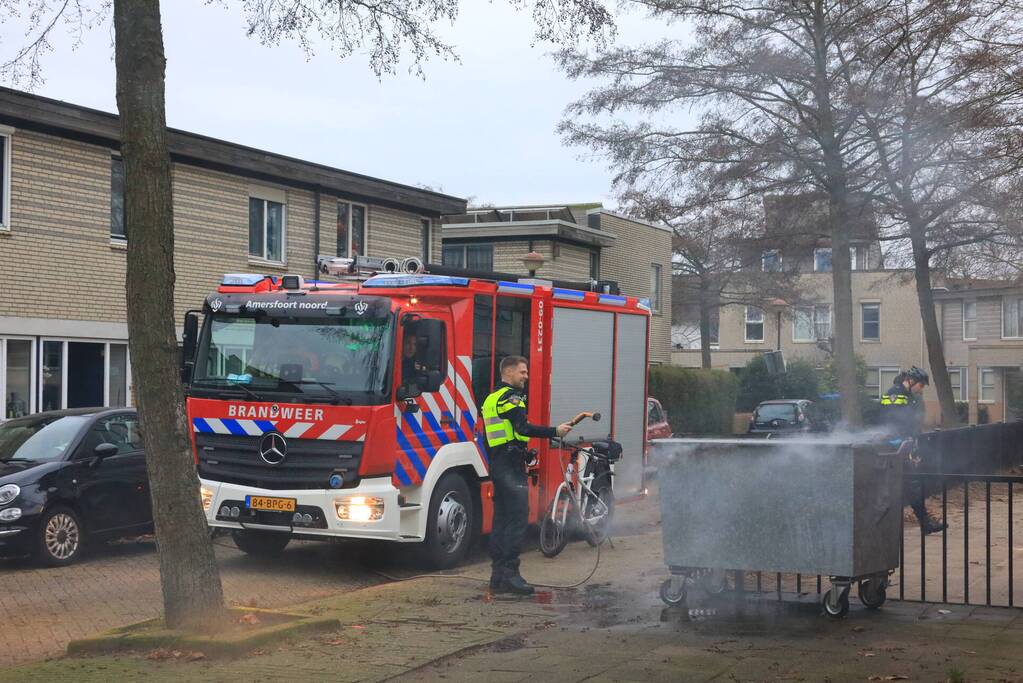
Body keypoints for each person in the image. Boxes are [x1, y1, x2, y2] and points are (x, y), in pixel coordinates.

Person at [482, 355, 575, 595]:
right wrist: (555, 430)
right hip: (511, 465)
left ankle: (498, 575)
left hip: (498, 463)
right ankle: (511, 575)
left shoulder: (491, 398)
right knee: (518, 518)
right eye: (522, 372)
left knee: (501, 519)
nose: (526, 376)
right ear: (509, 373)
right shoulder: (513, 397)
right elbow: (522, 428)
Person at [880, 366, 947, 535]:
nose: (921, 389)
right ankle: (921, 524)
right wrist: (904, 441)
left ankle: (924, 524)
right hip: (894, 448)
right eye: (921, 385)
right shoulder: (896, 394)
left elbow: (909, 423)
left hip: (902, 447)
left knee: (910, 486)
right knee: (906, 486)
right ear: (911, 381)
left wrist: (912, 444)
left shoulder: (907, 395)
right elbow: (893, 422)